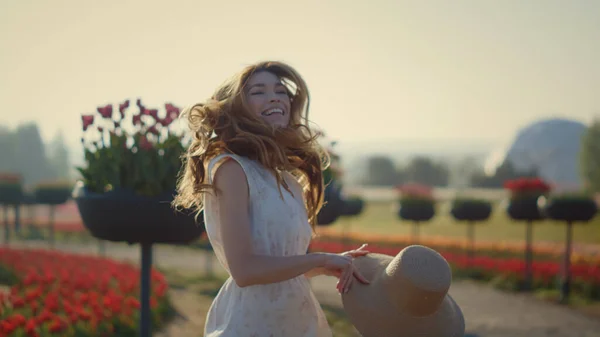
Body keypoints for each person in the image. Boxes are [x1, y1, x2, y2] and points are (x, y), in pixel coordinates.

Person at [173, 61, 371, 337]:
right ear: (235, 108)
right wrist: (319, 258)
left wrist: (327, 265)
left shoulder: (286, 178)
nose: (275, 96)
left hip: (297, 324)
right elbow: (245, 271)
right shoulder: (231, 169)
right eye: (258, 91)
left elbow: (281, 270)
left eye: (280, 90)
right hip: (250, 325)